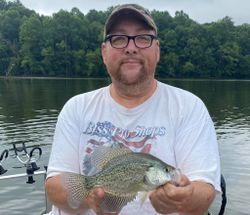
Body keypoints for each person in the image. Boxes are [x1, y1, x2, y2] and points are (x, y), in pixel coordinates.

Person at [45, 3, 221, 215]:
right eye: (118, 39)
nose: (131, 47)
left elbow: (205, 193)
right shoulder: (76, 108)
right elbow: (54, 188)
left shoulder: (189, 107)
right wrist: (89, 198)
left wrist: (186, 198)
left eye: (143, 38)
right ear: (104, 52)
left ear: (157, 50)